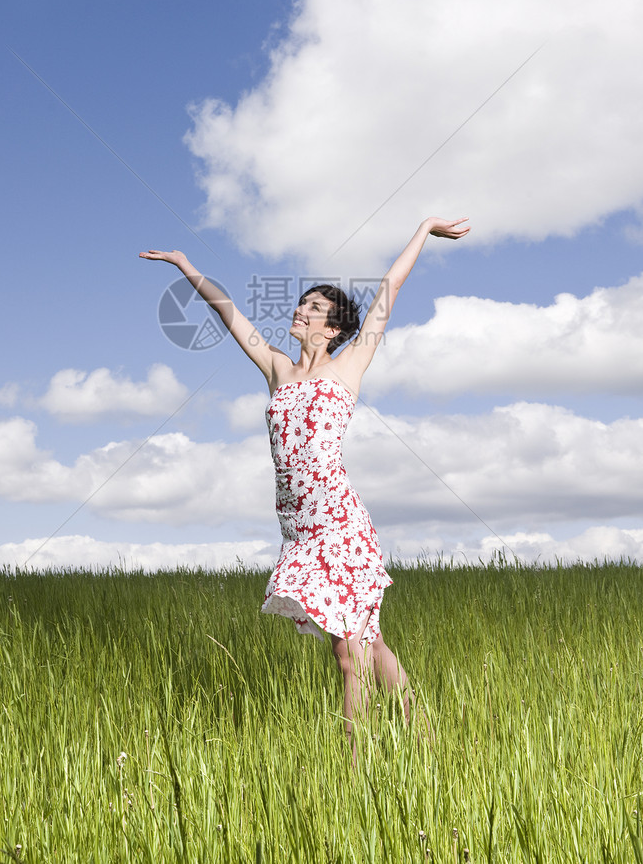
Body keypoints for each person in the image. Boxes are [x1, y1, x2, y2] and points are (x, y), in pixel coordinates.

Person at [140, 215, 469, 752]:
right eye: (302, 303)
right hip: (300, 532)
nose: (302, 311)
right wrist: (184, 264)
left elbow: (389, 289)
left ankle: (354, 764)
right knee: (370, 640)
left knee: (348, 655)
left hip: (340, 526)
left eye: (315, 308)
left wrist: (425, 228)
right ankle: (423, 730)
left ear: (334, 329)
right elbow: (226, 310)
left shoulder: (351, 365)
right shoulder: (275, 369)